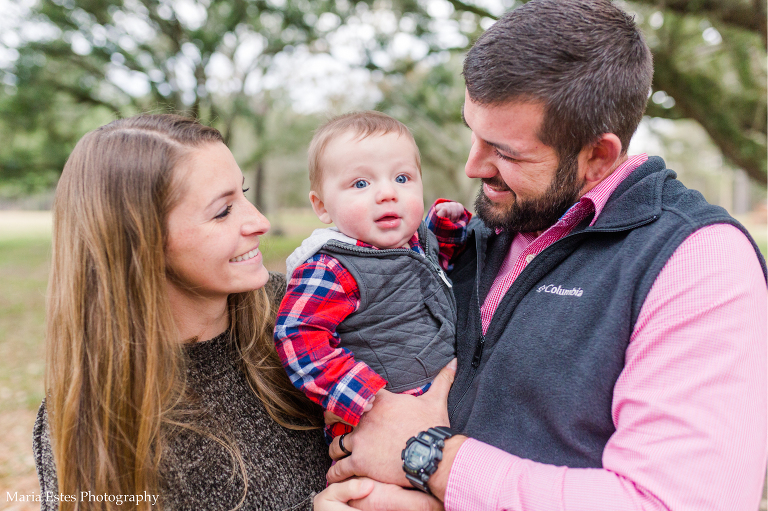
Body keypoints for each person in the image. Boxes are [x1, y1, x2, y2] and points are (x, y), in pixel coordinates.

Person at [323, 1, 768, 510]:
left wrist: (427, 460)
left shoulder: (698, 264)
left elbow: (672, 503)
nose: (473, 167)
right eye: (473, 130)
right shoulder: (484, 225)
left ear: (597, 155)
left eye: (506, 152)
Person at [32, 113, 439, 511]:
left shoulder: (302, 312)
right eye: (223, 210)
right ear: (141, 243)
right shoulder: (91, 419)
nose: (259, 221)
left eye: (243, 193)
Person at [274, 111, 470, 442]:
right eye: (361, 183)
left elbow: (433, 269)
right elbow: (297, 334)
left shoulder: (414, 241)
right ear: (322, 206)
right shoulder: (333, 267)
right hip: (382, 419)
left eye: (402, 178)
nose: (387, 193)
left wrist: (446, 227)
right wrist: (366, 398)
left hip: (441, 405)